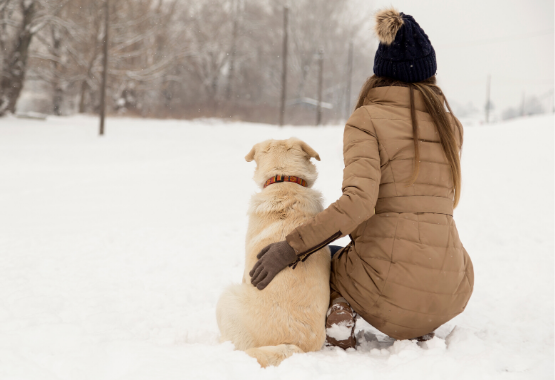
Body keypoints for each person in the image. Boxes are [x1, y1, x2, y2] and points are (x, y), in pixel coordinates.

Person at [249, 8, 474, 349]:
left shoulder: (367, 120)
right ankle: (421, 315)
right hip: (453, 288)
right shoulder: (450, 126)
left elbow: (359, 203)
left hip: (388, 289)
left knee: (326, 259)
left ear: (381, 72)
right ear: (429, 73)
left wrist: (291, 248)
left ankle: (342, 308)